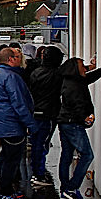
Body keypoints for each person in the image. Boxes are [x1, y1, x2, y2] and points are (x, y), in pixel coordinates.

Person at [56, 56, 101, 199]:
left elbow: (90, 76)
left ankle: (65, 189)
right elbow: (77, 106)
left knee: (66, 156)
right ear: (75, 69)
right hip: (73, 124)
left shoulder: (72, 81)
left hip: (65, 122)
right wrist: (86, 118)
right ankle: (71, 189)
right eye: (82, 66)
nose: (84, 68)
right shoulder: (75, 86)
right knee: (87, 155)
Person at [0, 47, 39, 199]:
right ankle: (5, 193)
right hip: (11, 124)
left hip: (4, 123)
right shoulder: (11, 76)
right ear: (10, 59)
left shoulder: (0, 74)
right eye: (18, 56)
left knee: (6, 158)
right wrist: (31, 124)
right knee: (11, 160)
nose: (21, 59)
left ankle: (6, 189)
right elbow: (19, 103)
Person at [27, 46, 64, 188]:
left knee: (37, 143)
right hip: (49, 112)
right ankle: (39, 174)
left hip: (36, 111)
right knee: (42, 144)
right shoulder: (57, 75)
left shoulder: (36, 72)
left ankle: (36, 171)